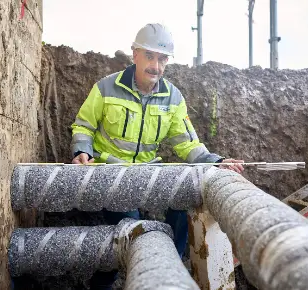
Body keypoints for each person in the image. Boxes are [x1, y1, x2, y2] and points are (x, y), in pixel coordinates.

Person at [71, 23, 244, 289]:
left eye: (162, 59)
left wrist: (217, 161)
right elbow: (84, 126)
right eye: (150, 56)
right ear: (135, 54)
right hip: (112, 174)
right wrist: (82, 150)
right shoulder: (106, 88)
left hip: (149, 174)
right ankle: (105, 282)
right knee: (131, 232)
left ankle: (168, 270)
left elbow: (187, 145)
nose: (156, 65)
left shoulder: (173, 97)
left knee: (183, 199)